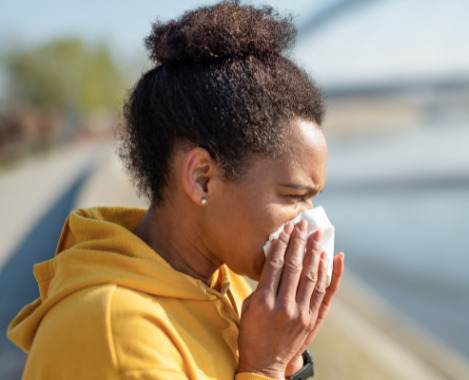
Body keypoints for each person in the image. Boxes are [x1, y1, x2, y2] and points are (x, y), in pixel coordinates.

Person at [7, 1, 344, 379]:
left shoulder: (225, 283)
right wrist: (265, 366)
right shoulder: (117, 334)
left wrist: (291, 357)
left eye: (313, 197)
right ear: (202, 178)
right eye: (294, 196)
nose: (312, 220)